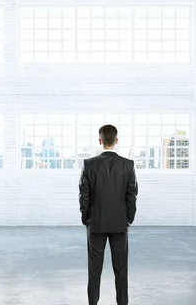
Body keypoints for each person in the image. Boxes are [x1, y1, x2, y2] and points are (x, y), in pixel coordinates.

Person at [78, 124, 138, 305]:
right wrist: (128, 219)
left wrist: (87, 219)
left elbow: (84, 196)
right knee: (121, 270)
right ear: (116, 141)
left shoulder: (89, 164)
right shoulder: (128, 165)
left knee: (94, 270)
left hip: (96, 224)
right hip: (119, 224)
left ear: (100, 141)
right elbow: (132, 195)